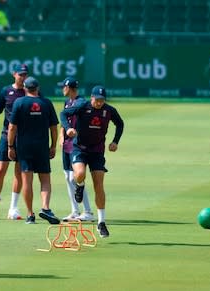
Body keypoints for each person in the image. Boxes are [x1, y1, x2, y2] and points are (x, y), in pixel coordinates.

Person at [60, 85, 124, 238]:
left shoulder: (109, 110)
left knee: (99, 184)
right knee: (80, 173)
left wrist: (115, 141)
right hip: (80, 148)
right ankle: (80, 186)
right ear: (92, 97)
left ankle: (101, 223)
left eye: (102, 100)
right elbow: (63, 114)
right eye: (97, 100)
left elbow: (120, 124)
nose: (99, 103)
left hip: (97, 151)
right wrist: (68, 128)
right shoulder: (82, 106)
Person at [7, 76, 60, 225]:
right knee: (45, 180)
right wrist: (53, 145)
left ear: (24, 88)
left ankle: (30, 214)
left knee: (27, 181)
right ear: (38, 88)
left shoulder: (19, 102)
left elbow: (12, 127)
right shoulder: (46, 103)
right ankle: (45, 207)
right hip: (42, 146)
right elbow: (54, 128)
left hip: (24, 147)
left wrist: (10, 146)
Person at [0, 63, 28, 221]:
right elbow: (0, 110)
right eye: (20, 74)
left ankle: (13, 209)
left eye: (25, 74)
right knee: (1, 170)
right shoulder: (5, 91)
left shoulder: (29, 91)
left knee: (19, 172)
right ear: (14, 74)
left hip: (23, 138)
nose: (23, 77)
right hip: (6, 136)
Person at [58, 77, 94, 222]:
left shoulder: (81, 102)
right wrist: (61, 135)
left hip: (76, 144)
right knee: (68, 177)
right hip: (66, 144)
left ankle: (88, 211)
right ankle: (74, 211)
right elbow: (64, 121)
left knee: (75, 177)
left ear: (69, 88)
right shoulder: (67, 103)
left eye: (64, 87)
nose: (63, 89)